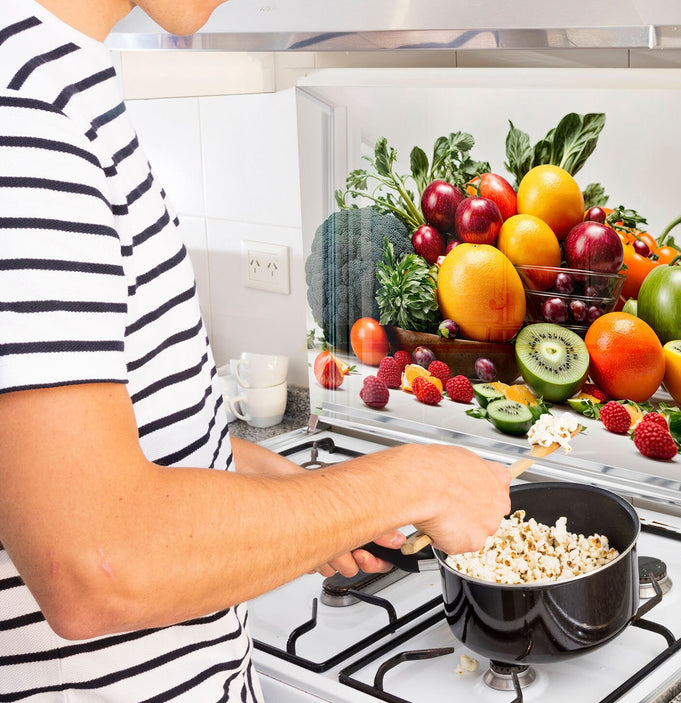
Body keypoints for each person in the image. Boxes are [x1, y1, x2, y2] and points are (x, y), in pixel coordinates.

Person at [0, 0, 513, 699]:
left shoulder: (56, 80)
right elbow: (97, 562)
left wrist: (303, 501)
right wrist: (417, 480)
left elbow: (94, 449)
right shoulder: (25, 116)